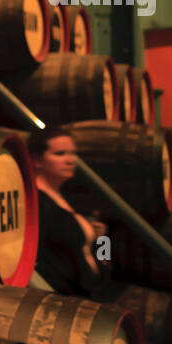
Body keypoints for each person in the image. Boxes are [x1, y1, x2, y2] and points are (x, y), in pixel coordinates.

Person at [28, 127, 109, 299]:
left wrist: (101, 238)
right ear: (37, 160)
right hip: (70, 299)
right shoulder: (37, 202)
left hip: (92, 293)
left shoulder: (68, 196)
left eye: (73, 153)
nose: (70, 160)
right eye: (60, 153)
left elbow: (101, 251)